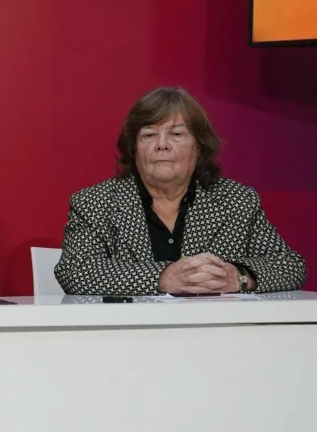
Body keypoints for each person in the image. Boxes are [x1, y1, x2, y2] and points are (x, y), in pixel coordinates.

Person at [55, 86, 306, 295]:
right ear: (134, 148)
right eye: (149, 135)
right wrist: (162, 277)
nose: (162, 145)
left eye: (176, 134)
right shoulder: (94, 203)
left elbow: (290, 266)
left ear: (199, 147)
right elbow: (74, 272)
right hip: (127, 340)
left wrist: (238, 277)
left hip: (219, 338)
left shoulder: (237, 201)